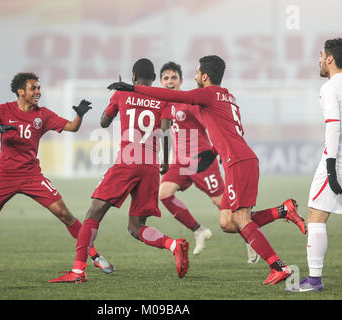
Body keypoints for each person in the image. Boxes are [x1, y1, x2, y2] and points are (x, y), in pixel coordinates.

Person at [108, 55, 307, 285]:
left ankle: (277, 266)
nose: (194, 76)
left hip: (237, 161)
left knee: (240, 219)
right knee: (227, 222)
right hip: (238, 159)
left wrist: (133, 88)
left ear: (204, 76)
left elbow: (172, 95)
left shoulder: (206, 94)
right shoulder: (228, 97)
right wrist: (213, 151)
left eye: (196, 72)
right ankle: (284, 210)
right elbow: (230, 129)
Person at [0, 72, 114, 278]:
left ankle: (95, 257)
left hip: (32, 175)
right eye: (34, 88)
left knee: (64, 213)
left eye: (39, 88)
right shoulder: (3, 110)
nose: (38, 92)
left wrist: (80, 114)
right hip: (4, 176)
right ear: (20, 91)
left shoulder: (42, 115)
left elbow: (71, 127)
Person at [49, 59, 190, 284]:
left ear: (133, 77)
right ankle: (173, 245)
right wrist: (165, 161)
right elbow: (166, 131)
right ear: (153, 78)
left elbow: (105, 122)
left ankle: (77, 271)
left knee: (93, 214)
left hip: (127, 162)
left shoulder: (121, 93)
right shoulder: (163, 97)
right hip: (151, 166)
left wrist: (116, 97)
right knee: (136, 227)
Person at [158, 61, 259, 262]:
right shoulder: (167, 106)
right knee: (163, 193)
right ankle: (198, 230)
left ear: (181, 80)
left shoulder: (192, 101)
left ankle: (249, 238)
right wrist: (166, 159)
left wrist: (217, 150)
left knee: (225, 207)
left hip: (200, 160)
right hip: (181, 163)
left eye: (173, 77)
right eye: (166, 78)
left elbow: (212, 124)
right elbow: (166, 132)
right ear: (161, 82)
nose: (170, 81)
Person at [290, 38, 342, 292]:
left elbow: (333, 126)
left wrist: (331, 166)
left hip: (340, 161)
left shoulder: (330, 88)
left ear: (330, 59)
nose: (319, 60)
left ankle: (313, 280)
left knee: (316, 217)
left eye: (321, 55)